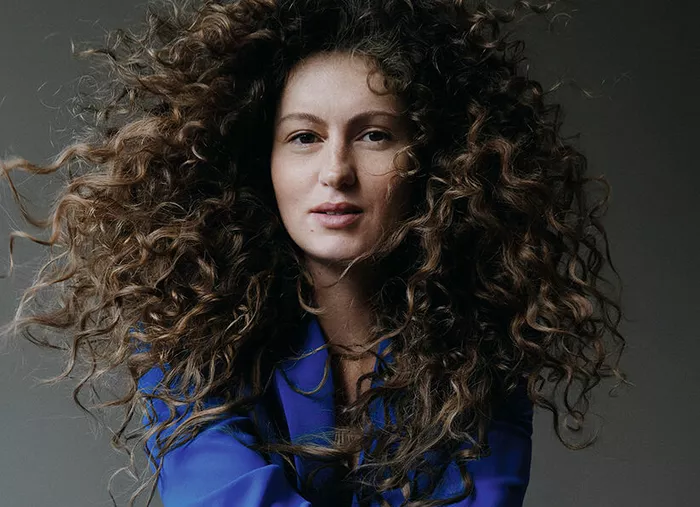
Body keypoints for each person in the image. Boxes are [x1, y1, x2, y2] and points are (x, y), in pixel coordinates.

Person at [0, 0, 629, 506]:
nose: (336, 171)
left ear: (434, 162)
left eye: (374, 135)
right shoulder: (184, 333)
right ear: (262, 163)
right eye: (303, 137)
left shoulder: (487, 348)